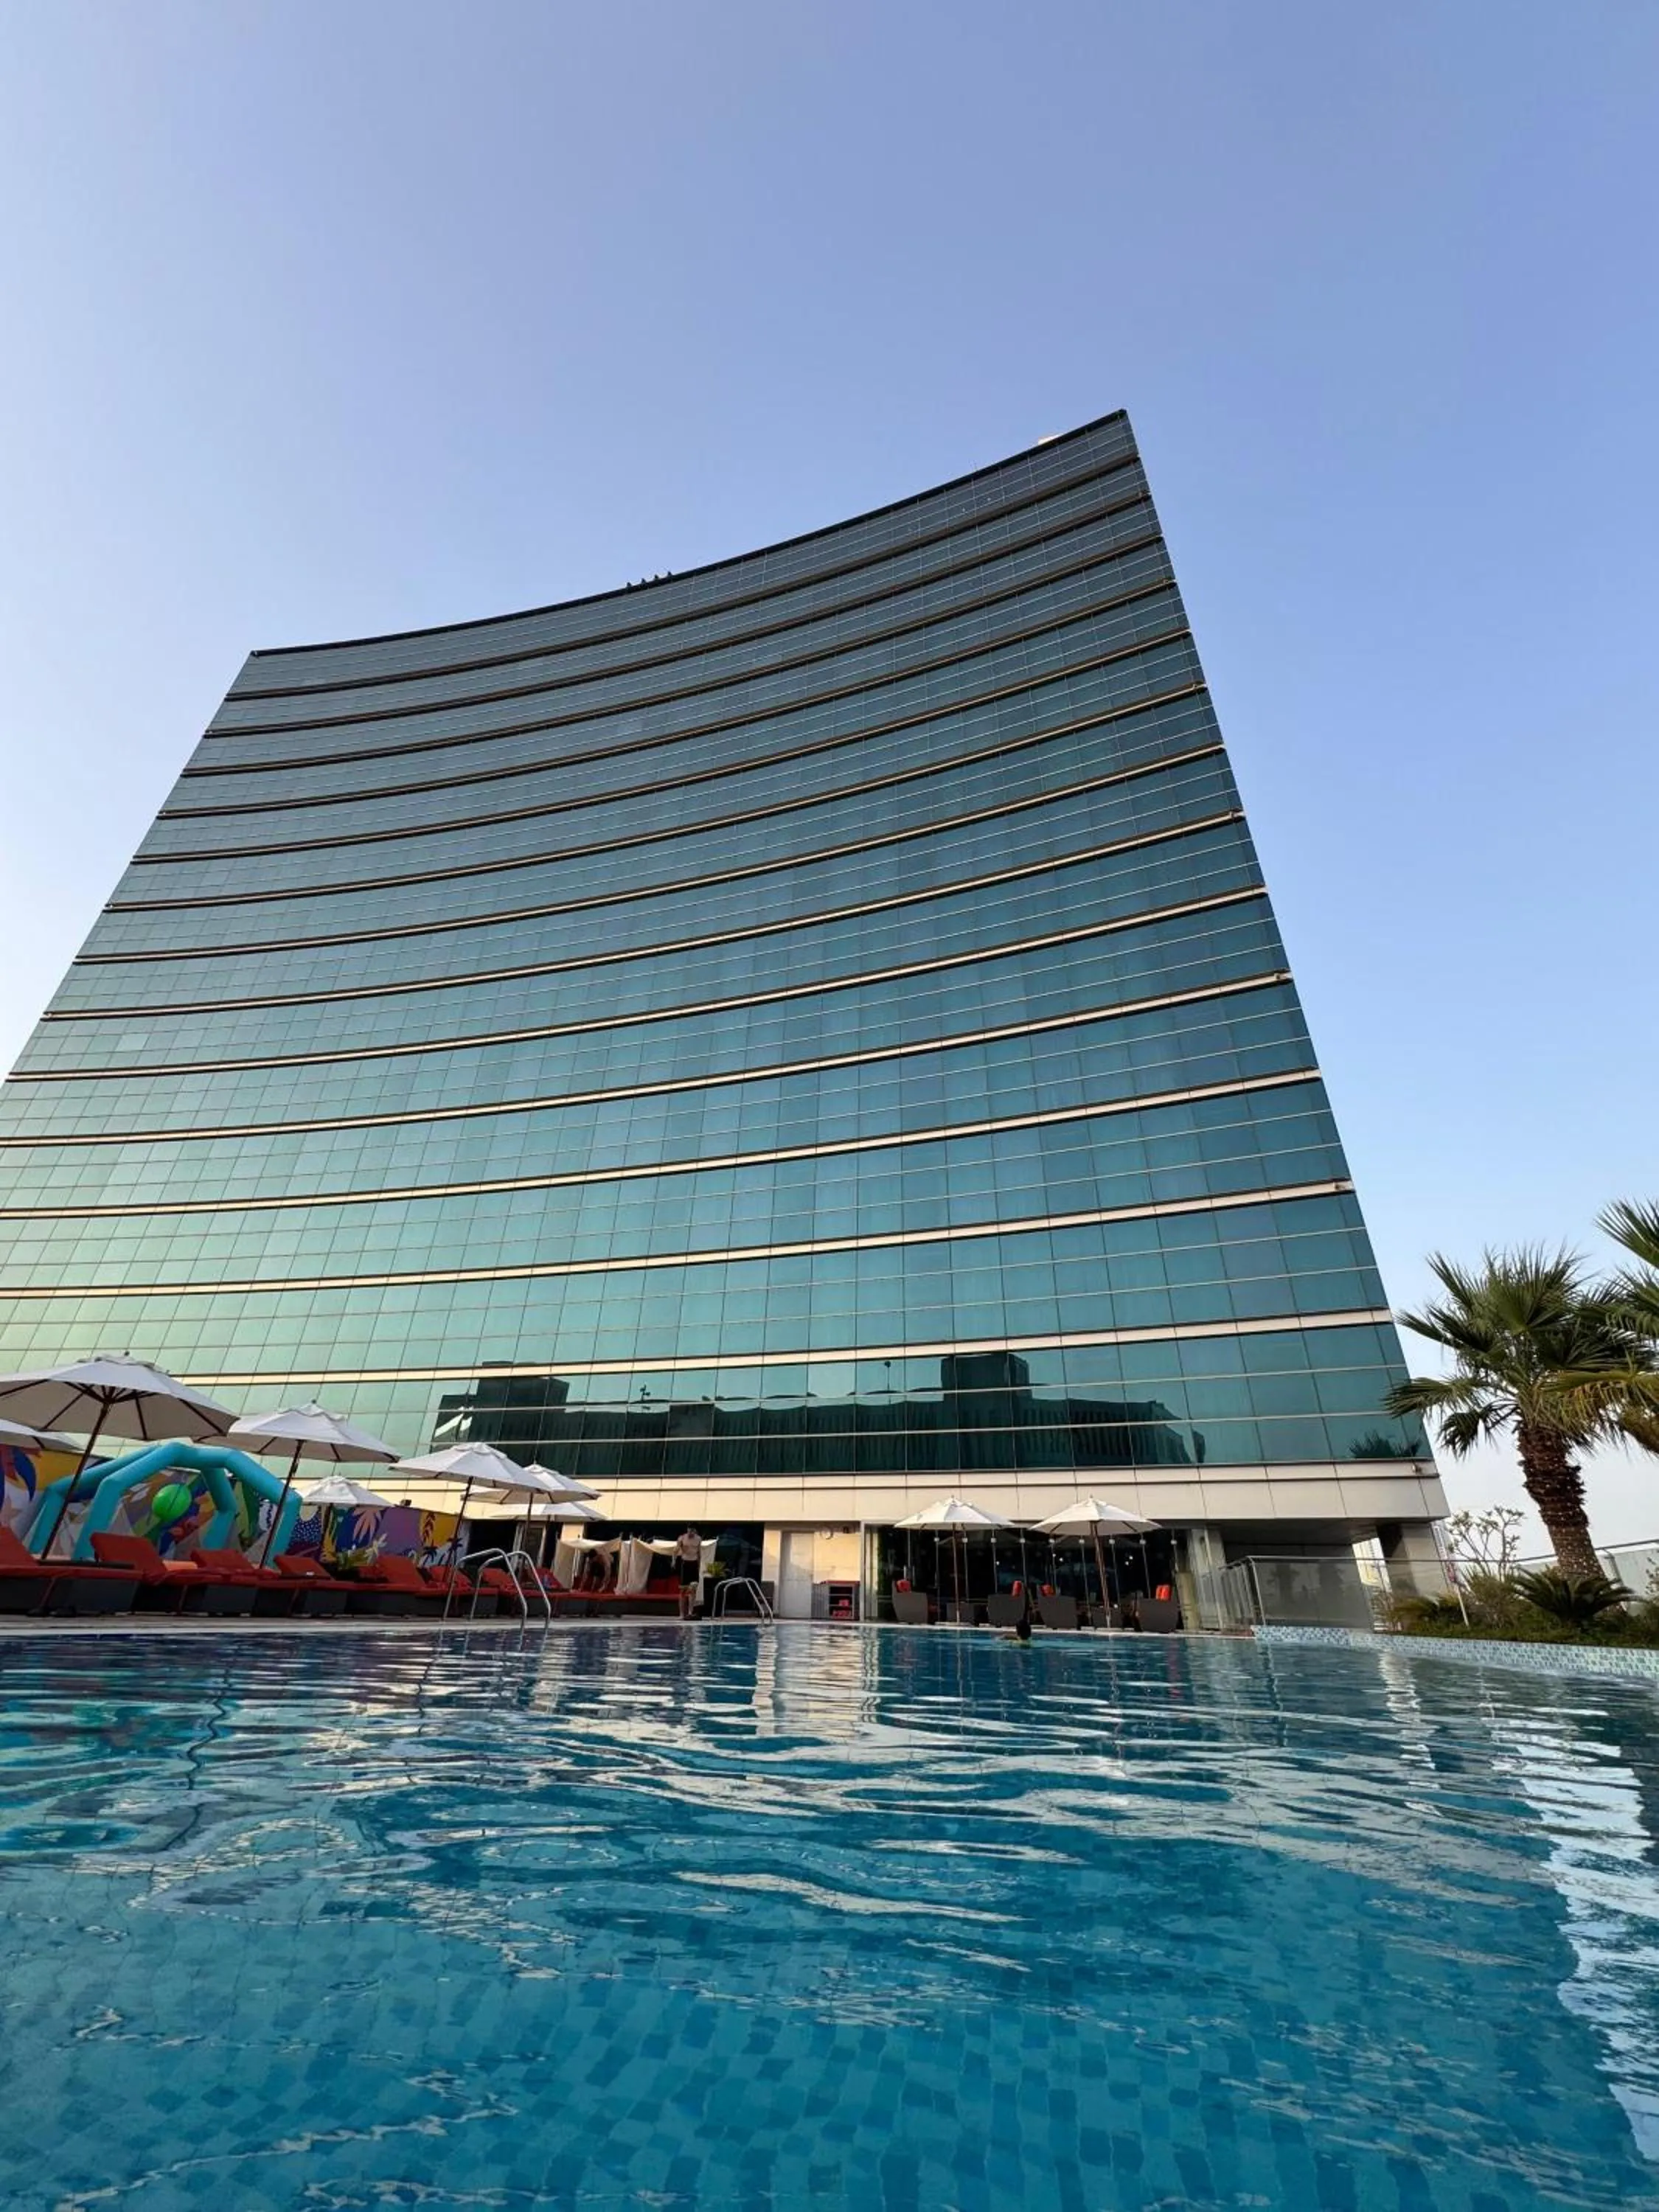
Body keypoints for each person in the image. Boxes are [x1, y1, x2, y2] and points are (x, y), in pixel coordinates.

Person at [675, 1526, 702, 1619]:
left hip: (694, 1563)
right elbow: (676, 1550)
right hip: (685, 1563)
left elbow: (699, 1553)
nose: (690, 1533)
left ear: (695, 1531)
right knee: (683, 1590)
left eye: (692, 1531)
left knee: (693, 1589)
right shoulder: (682, 1538)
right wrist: (673, 1561)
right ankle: (681, 1614)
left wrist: (699, 1565)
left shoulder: (698, 1539)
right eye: (689, 1530)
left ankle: (690, 1612)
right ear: (687, 1530)